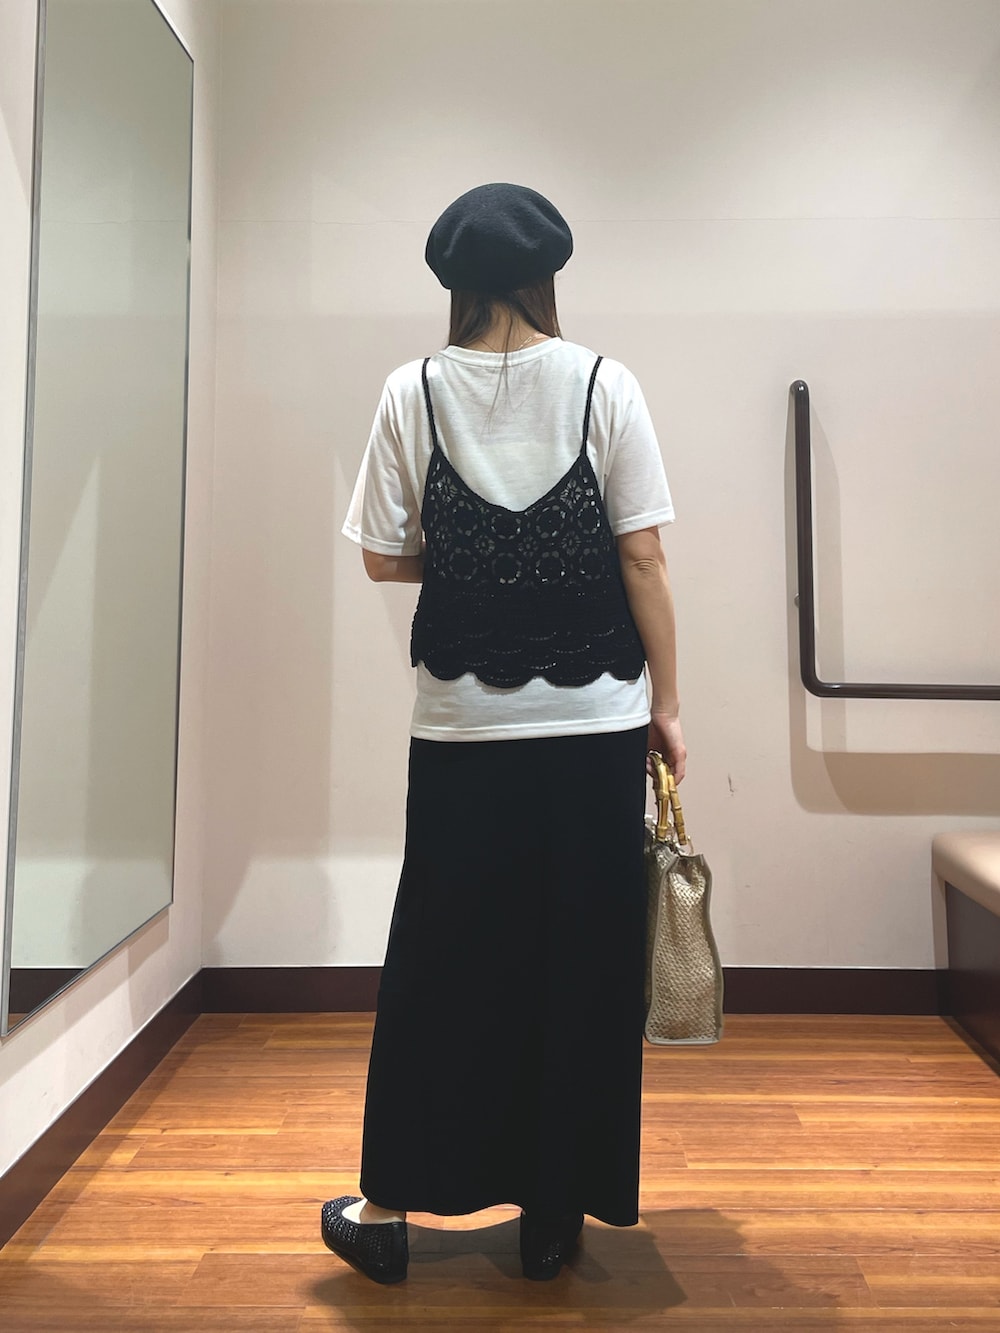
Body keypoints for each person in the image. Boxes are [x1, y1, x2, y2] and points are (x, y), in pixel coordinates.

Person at [322, 183, 686, 1285]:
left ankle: (386, 1206)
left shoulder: (413, 390)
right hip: (595, 724)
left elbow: (382, 554)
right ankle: (553, 1214)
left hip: (462, 731)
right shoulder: (606, 384)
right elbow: (642, 557)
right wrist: (668, 707)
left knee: (443, 959)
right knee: (580, 960)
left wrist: (479, 560)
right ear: (545, 274)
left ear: (455, 282)